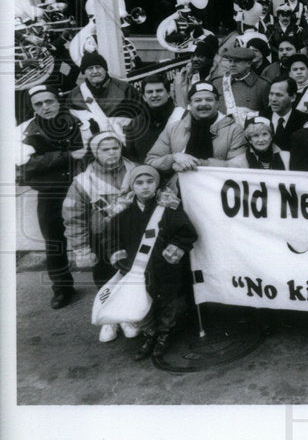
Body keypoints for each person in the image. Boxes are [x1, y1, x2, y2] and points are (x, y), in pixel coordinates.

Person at [106, 165, 198, 360]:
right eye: (139, 183)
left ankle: (165, 333)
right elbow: (111, 238)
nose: (145, 187)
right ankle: (149, 333)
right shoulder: (123, 211)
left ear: (157, 184)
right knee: (143, 302)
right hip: (137, 269)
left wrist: (175, 247)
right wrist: (119, 255)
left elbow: (187, 232)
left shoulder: (169, 208)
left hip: (165, 266)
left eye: (150, 182)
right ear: (132, 186)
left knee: (167, 301)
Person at [17, 84, 93, 308]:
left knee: (98, 233)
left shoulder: (83, 122)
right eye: (38, 104)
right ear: (33, 108)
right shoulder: (26, 131)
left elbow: (96, 148)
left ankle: (106, 283)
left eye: (49, 101)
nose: (45, 107)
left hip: (83, 188)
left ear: (58, 101)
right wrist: (65, 155)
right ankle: (61, 289)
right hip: (51, 192)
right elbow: (26, 166)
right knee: (54, 242)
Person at [62, 129, 137, 341]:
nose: (111, 153)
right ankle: (109, 319)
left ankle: (127, 315)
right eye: (105, 149)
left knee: (130, 276)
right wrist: (82, 248)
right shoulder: (83, 182)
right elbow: (73, 216)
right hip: (101, 239)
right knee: (105, 277)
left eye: (115, 148)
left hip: (131, 235)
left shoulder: (136, 171)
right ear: (95, 152)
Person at [145, 82, 247, 173]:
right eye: (198, 100)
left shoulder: (234, 130)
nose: (203, 104)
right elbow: (151, 160)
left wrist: (198, 164)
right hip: (179, 188)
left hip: (218, 189)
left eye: (209, 100)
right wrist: (174, 157)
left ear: (218, 104)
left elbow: (239, 167)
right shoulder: (173, 128)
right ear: (190, 104)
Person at [67, 51, 143, 132]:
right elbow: (70, 120)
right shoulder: (75, 94)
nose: (95, 71)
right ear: (84, 72)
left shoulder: (125, 89)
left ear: (105, 69)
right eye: (90, 68)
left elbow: (142, 116)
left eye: (98, 67)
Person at [125, 75, 185, 163]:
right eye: (149, 92)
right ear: (144, 97)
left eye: (159, 91)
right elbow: (132, 158)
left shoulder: (184, 117)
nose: (154, 95)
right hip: (147, 174)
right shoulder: (134, 124)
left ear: (169, 93)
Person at [212, 44, 270, 122]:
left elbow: (269, 113)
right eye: (230, 61)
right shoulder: (217, 83)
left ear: (249, 63)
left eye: (237, 61)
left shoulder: (262, 85)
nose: (232, 65)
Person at [260, 76, 308, 151]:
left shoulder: (305, 121)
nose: (273, 99)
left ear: (293, 97)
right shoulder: (260, 118)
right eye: (271, 94)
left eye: (279, 95)